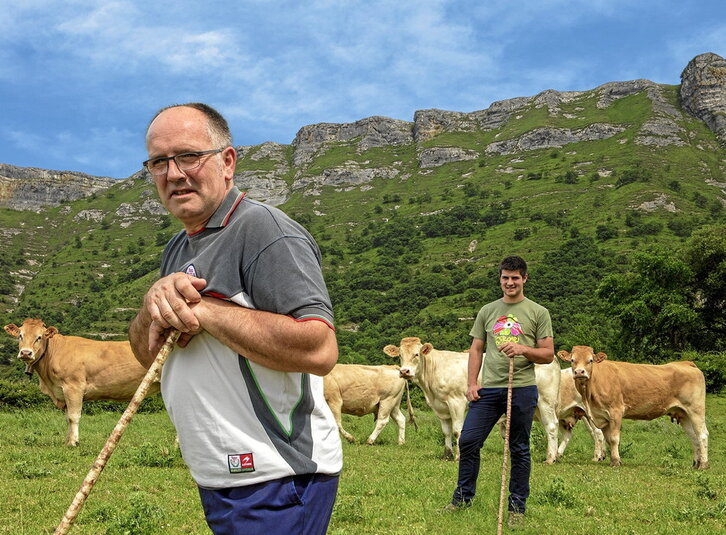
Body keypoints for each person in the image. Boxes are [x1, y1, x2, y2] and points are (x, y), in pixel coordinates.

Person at [128, 103, 342, 535]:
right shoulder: (177, 248)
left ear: (227, 162)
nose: (174, 173)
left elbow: (319, 348)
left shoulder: (264, 230)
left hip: (276, 475)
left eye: (189, 156)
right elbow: (144, 354)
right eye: (159, 162)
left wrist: (205, 310)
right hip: (219, 474)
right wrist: (153, 304)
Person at [445, 255, 554, 530]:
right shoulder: (487, 311)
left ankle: (517, 506)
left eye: (515, 277)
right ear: (500, 278)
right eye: (505, 277)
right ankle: (462, 498)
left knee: (518, 448)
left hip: (521, 389)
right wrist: (472, 383)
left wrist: (523, 349)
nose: (510, 282)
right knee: (468, 441)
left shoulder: (538, 312)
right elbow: (476, 349)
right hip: (489, 389)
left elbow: (548, 354)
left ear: (525, 279)